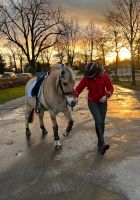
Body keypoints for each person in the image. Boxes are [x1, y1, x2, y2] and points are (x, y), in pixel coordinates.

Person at [74, 62, 114, 155]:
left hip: (103, 102)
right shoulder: (86, 78)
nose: (89, 76)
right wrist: (75, 96)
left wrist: (106, 95)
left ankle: (100, 144)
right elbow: (78, 88)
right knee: (99, 121)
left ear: (96, 72)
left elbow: (110, 88)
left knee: (101, 123)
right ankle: (102, 144)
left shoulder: (104, 76)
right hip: (92, 102)